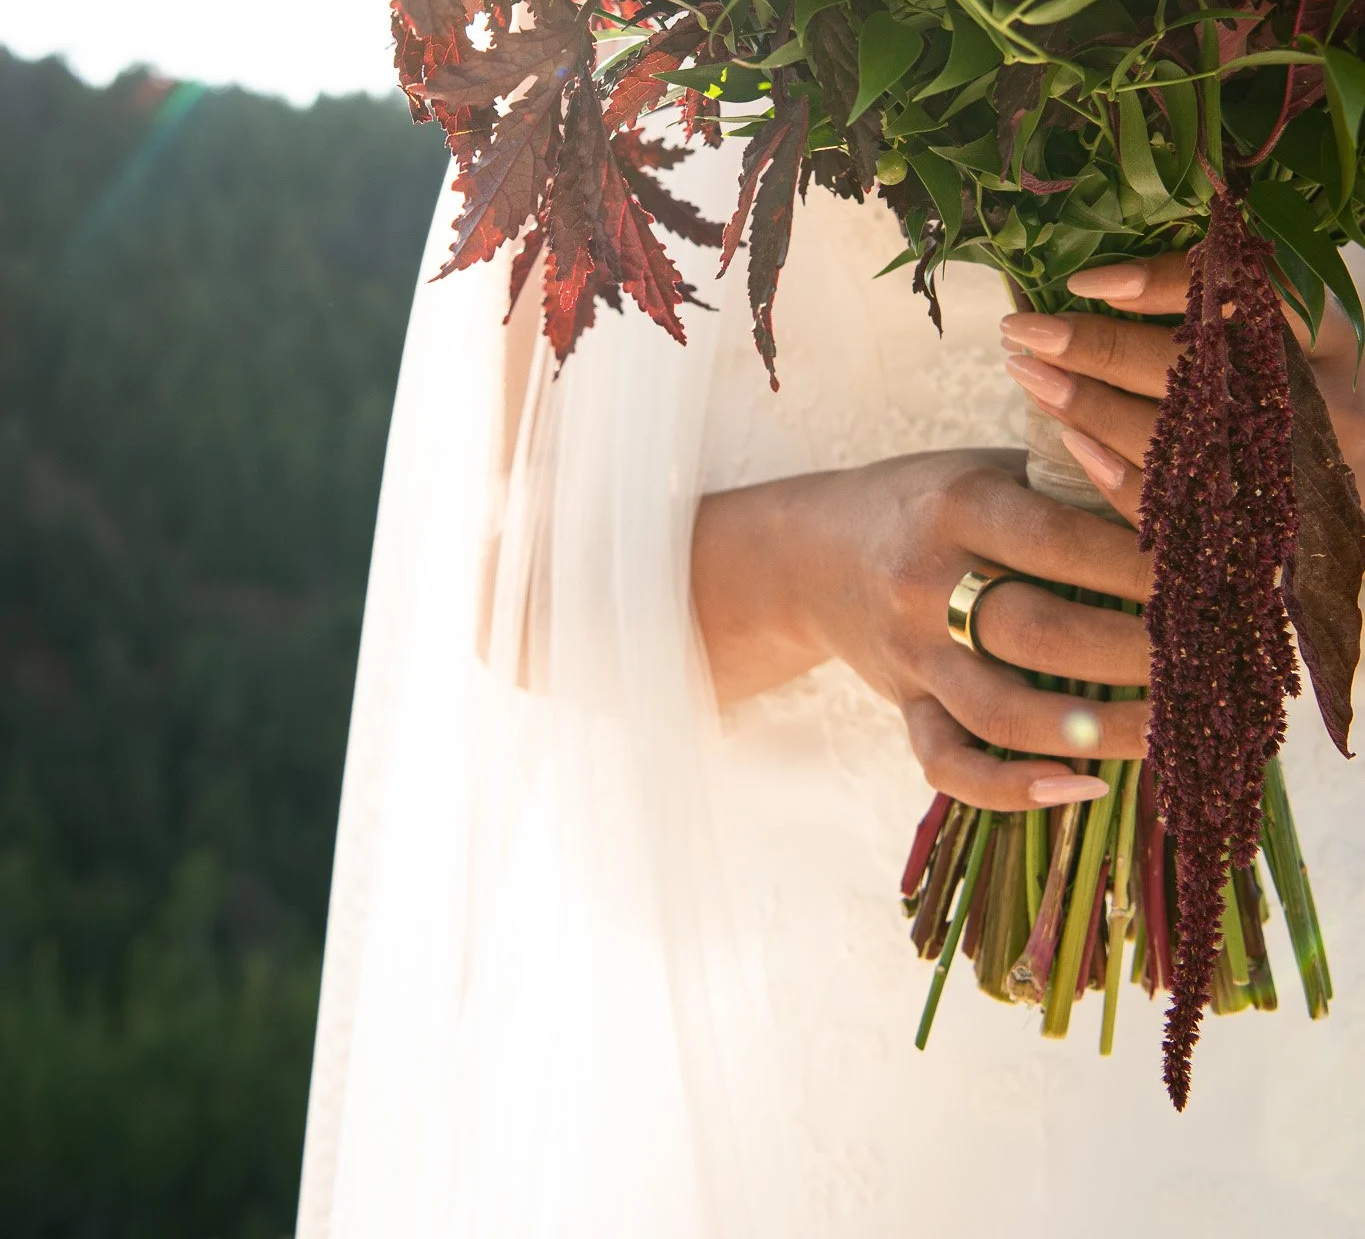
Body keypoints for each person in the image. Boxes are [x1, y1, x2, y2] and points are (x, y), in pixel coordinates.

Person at [296, 135, 1365, 1239]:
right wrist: (820, 570)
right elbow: (515, 566)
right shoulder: (586, 28)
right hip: (789, 1000)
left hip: (1311, 987)